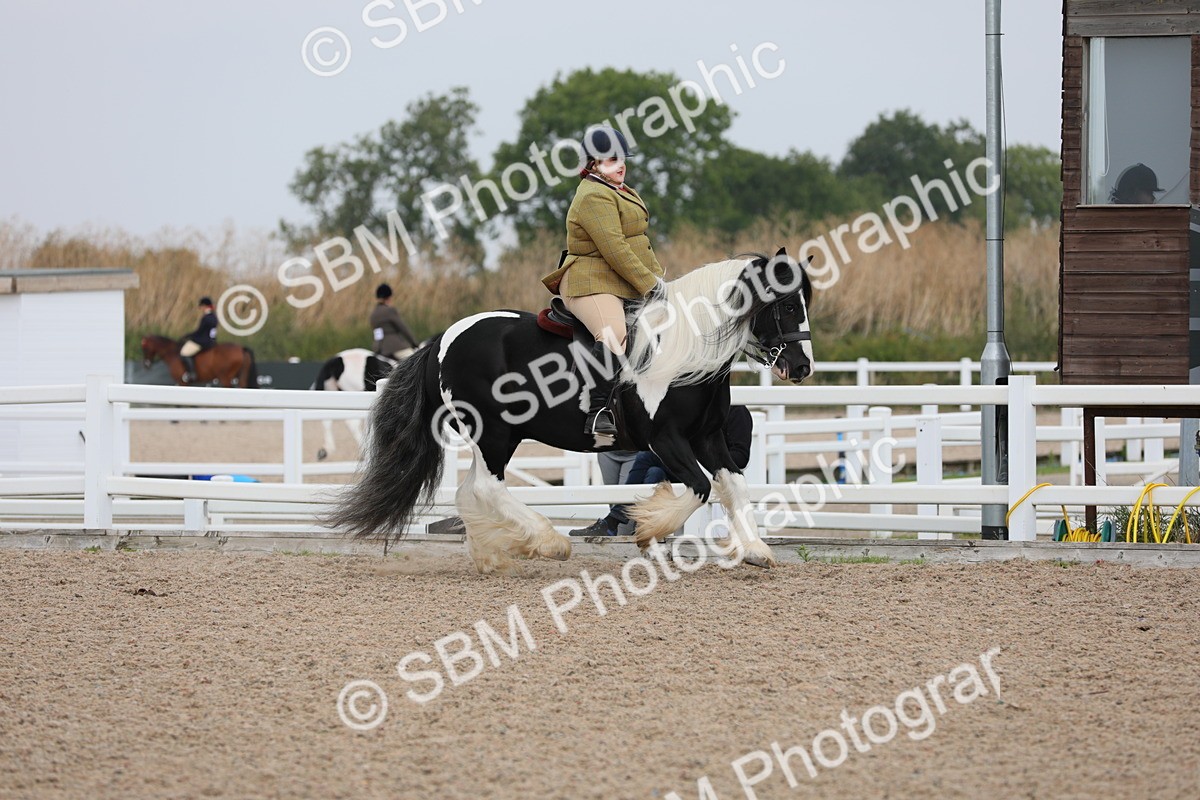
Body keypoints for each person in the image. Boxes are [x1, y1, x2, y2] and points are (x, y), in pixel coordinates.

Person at [541, 125, 665, 446]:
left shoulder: (621, 190)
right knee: (613, 332)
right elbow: (616, 250)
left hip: (616, 279)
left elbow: (639, 245)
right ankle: (598, 410)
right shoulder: (594, 195)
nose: (620, 164)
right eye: (610, 160)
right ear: (593, 164)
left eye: (621, 158)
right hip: (588, 280)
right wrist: (651, 285)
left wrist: (662, 284)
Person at [370, 284, 419, 360]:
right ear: (388, 297)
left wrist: (377, 349)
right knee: (415, 361)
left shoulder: (373, 314)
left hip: (380, 349)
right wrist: (414, 343)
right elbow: (403, 328)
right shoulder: (389, 310)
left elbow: (377, 334)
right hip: (396, 346)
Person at [180, 297, 218, 384]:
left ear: (205, 306)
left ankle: (191, 373)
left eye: (201, 306)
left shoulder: (206, 318)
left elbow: (199, 332)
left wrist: (188, 336)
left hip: (202, 341)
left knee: (184, 353)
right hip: (211, 341)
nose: (200, 308)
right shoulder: (214, 317)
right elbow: (212, 332)